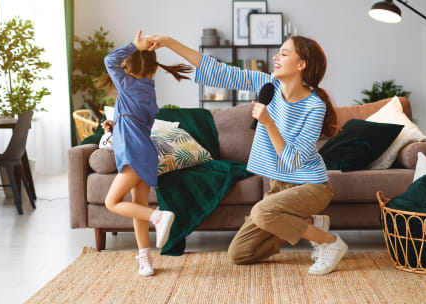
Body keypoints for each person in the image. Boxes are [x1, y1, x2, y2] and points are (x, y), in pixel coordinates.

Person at [145, 34, 347, 275]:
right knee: (240, 254)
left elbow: (292, 161)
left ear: (302, 64)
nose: (276, 56)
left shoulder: (315, 106)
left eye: (284, 53)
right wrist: (168, 42)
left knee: (261, 212)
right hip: (279, 187)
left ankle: (329, 242)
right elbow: (217, 71)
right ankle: (310, 225)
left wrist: (268, 122)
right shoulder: (267, 85)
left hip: (310, 186)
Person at [96, 31, 193, 276]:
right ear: (155, 70)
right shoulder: (147, 92)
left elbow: (109, 61)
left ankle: (158, 217)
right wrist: (115, 125)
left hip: (134, 153)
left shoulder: (129, 86)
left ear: (127, 72)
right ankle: (145, 258)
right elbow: (134, 122)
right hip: (143, 153)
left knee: (112, 202)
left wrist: (133, 45)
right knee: (136, 206)